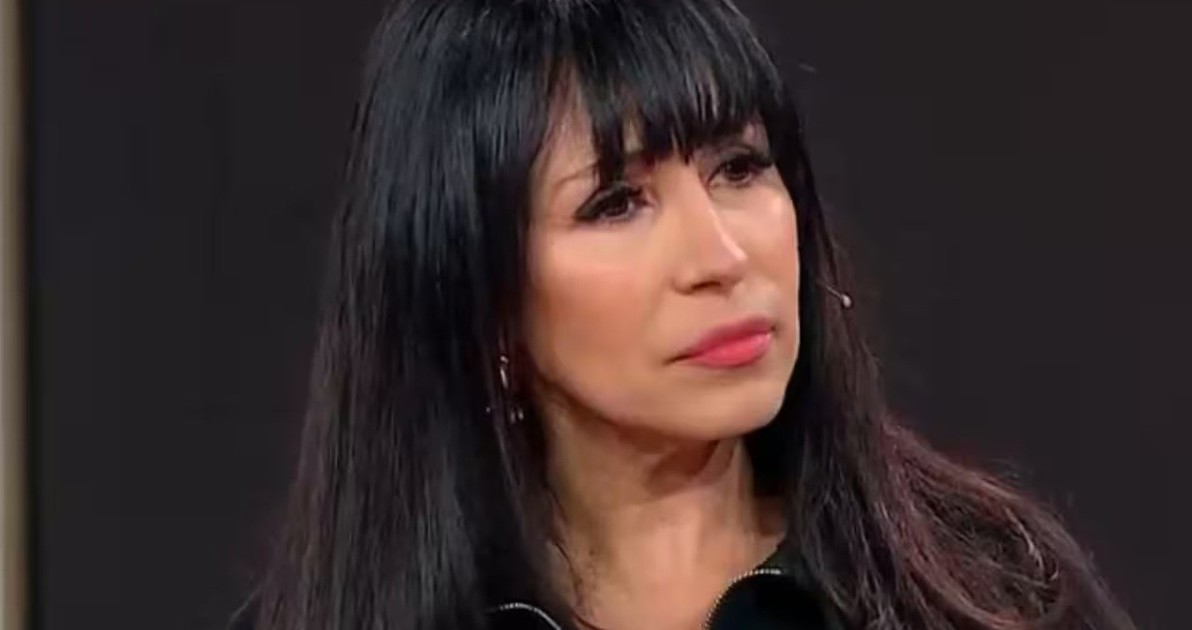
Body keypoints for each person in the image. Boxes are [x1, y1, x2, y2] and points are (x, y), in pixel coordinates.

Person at [236, 0, 1135, 628]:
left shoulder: (998, 595)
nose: (721, 257)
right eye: (616, 203)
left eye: (739, 168)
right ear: (480, 294)